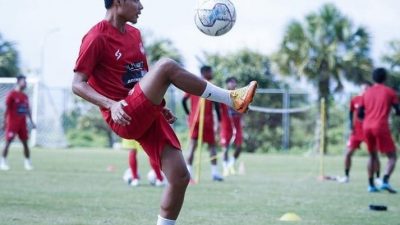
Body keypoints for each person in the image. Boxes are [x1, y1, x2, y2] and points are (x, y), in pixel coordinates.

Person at [72, 0, 257, 224]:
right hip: (122, 114)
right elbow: (77, 84)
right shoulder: (96, 37)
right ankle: (231, 98)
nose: (141, 6)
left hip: (142, 110)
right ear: (119, 2)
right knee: (167, 66)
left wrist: (158, 105)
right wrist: (111, 104)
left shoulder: (134, 34)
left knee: (180, 176)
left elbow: (142, 78)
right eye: (136, 0)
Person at [359, 68, 399, 193]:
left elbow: (360, 113)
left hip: (366, 126)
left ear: (373, 78)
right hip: (380, 125)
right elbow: (398, 110)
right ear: (385, 78)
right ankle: (385, 181)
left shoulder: (366, 92)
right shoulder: (390, 92)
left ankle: (371, 185)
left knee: (372, 155)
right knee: (392, 156)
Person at [182, 65, 223, 182]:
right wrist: (219, 121)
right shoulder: (209, 85)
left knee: (194, 146)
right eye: (210, 72)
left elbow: (183, 100)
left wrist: (188, 114)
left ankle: (189, 174)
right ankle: (213, 173)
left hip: (196, 119)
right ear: (205, 73)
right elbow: (216, 104)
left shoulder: (193, 83)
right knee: (210, 147)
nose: (212, 73)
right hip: (206, 120)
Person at [338, 81, 381, 183]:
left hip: (369, 131)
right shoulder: (355, 100)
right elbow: (350, 114)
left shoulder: (373, 101)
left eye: (367, 89)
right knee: (348, 153)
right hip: (356, 132)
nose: (364, 90)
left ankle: (378, 178)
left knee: (374, 155)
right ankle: (346, 176)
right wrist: (351, 126)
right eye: (363, 88)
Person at [1, 75, 36, 171]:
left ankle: (27, 163)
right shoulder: (11, 94)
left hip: (22, 123)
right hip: (12, 123)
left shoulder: (25, 96)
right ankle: (3, 161)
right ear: (18, 82)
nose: (25, 83)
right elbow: (7, 109)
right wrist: (4, 122)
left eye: (25, 81)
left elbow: (27, 110)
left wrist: (32, 122)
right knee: (8, 143)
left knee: (25, 143)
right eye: (23, 81)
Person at [219, 77, 244, 177]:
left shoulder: (239, 97)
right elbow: (217, 111)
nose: (234, 84)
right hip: (226, 126)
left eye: (235, 82)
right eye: (231, 82)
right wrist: (217, 124)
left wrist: (242, 121)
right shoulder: (222, 96)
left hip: (237, 125)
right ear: (227, 84)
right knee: (225, 148)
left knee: (239, 147)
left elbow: (243, 110)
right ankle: (225, 168)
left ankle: (231, 164)